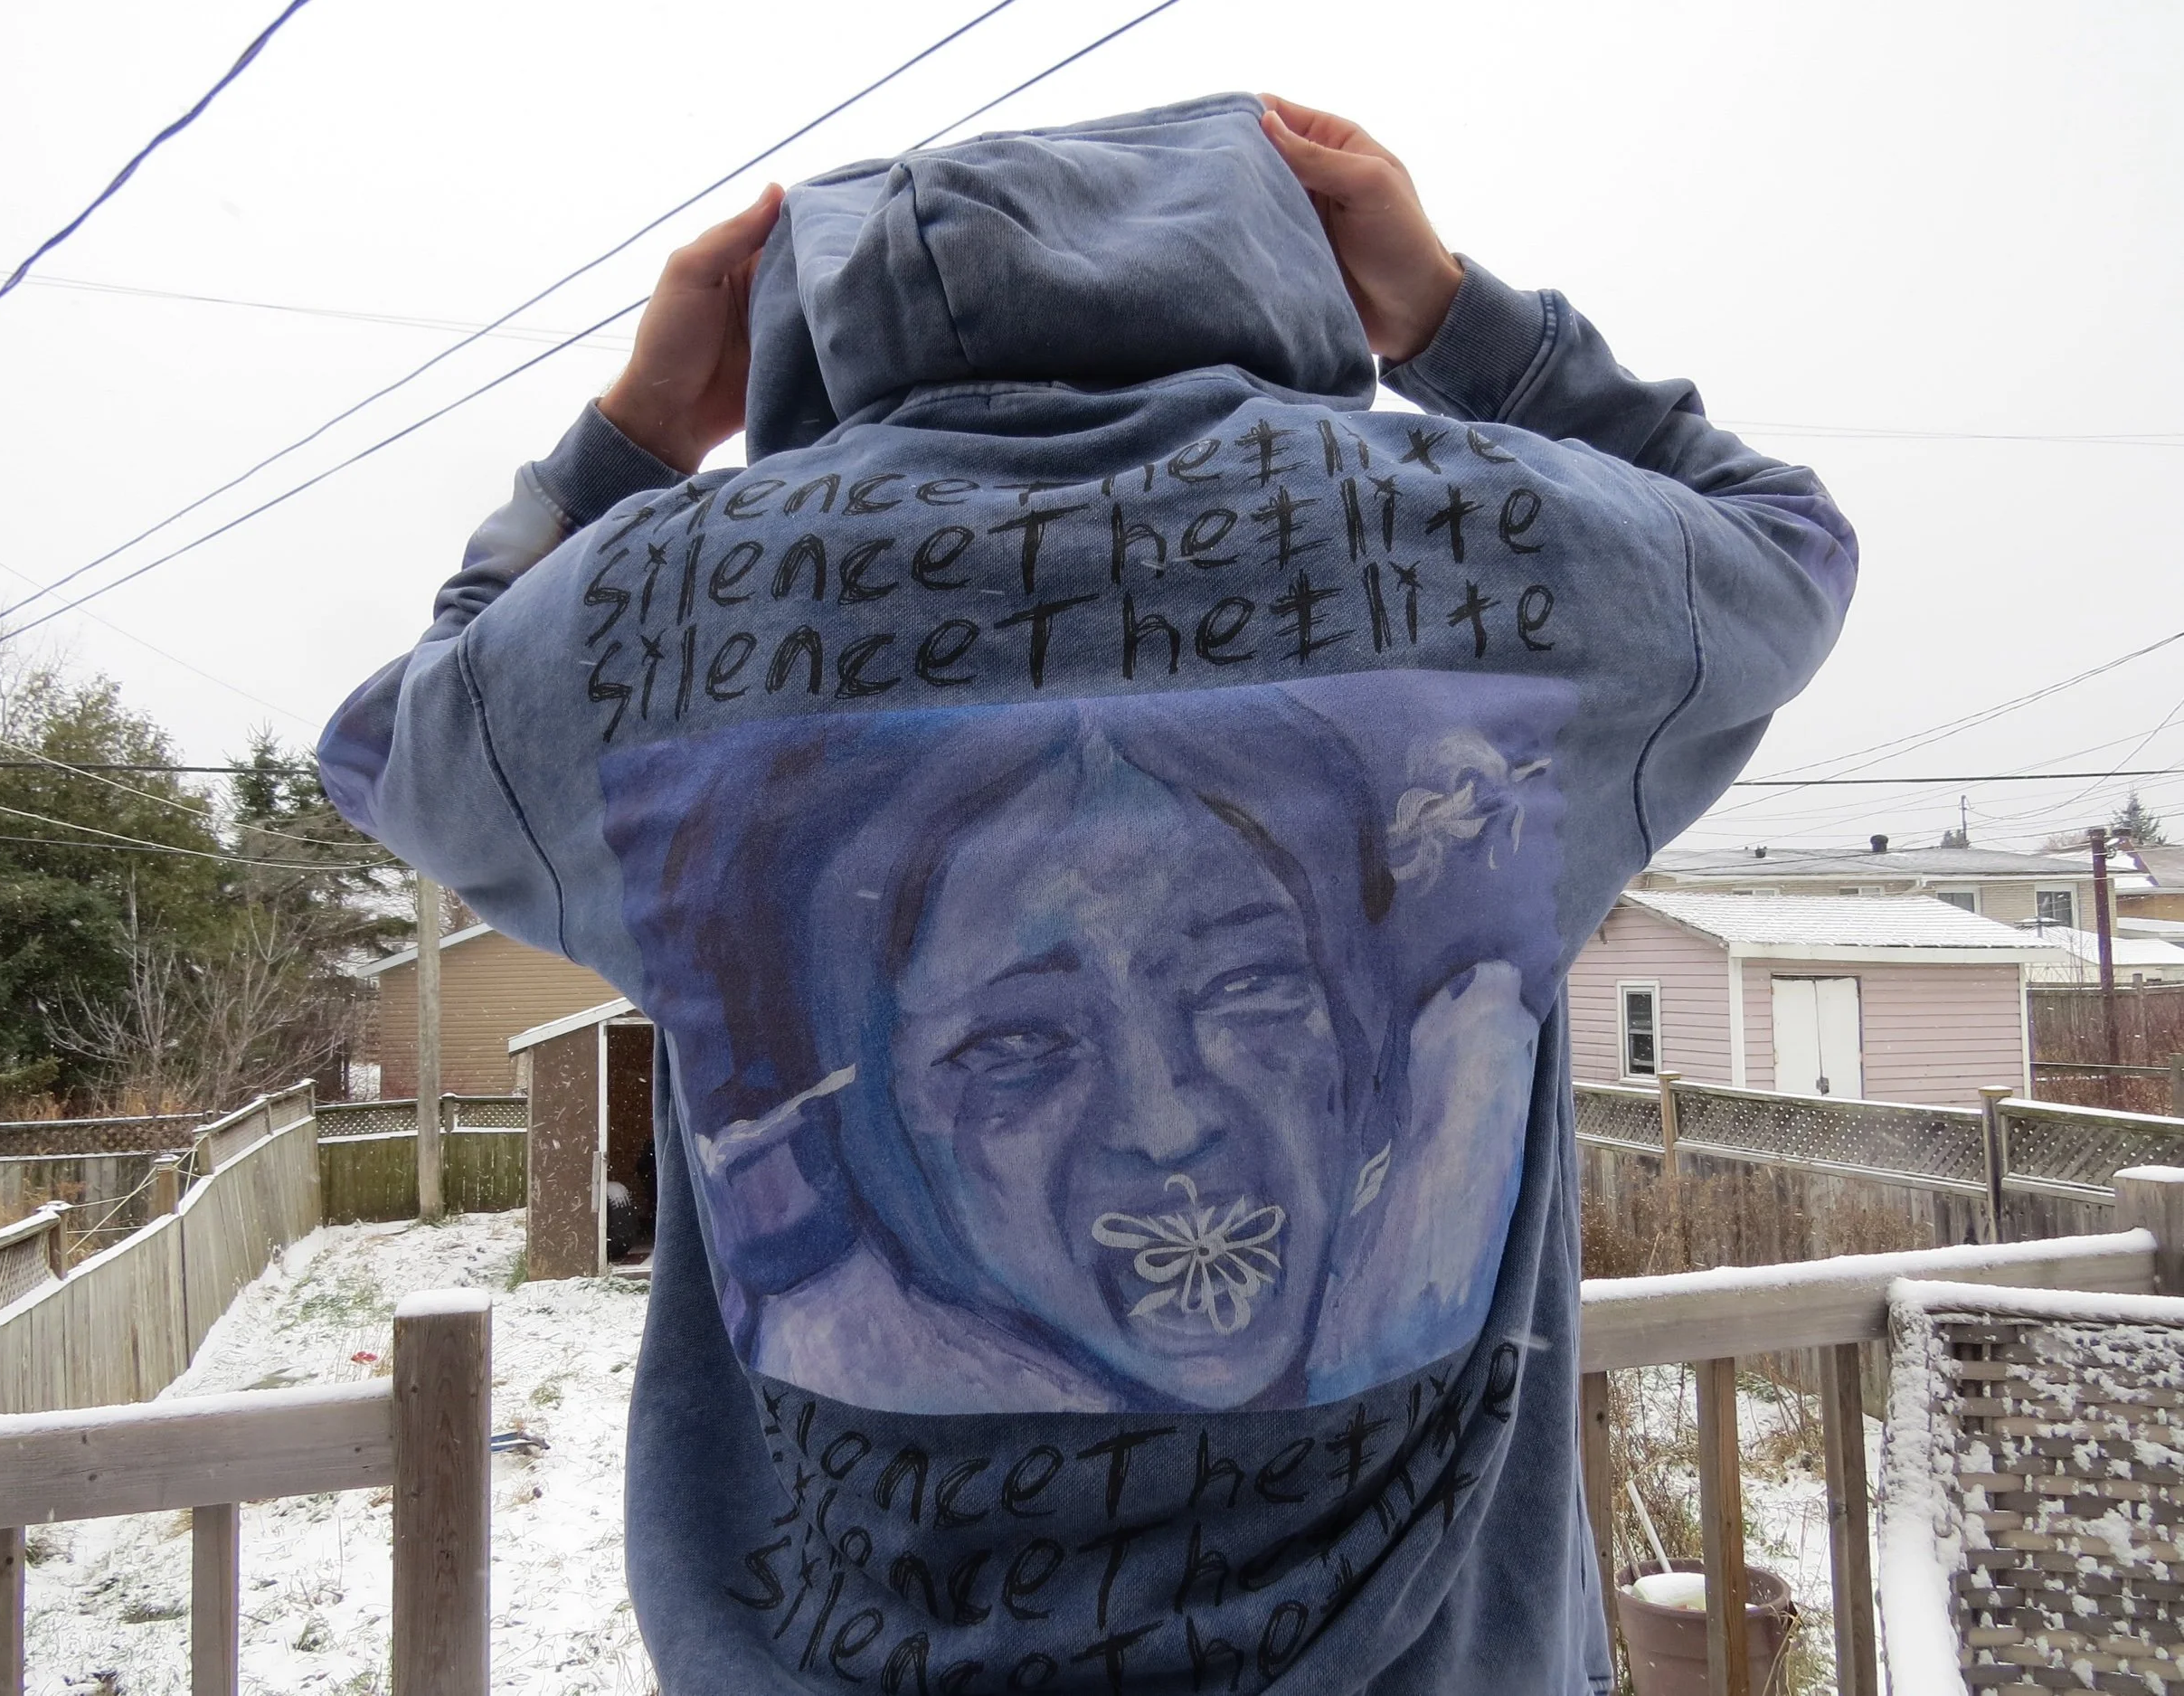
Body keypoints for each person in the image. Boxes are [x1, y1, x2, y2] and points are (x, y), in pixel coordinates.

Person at [322, 92, 1855, 1696]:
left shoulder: (677, 623)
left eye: (1253, 985)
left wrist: (635, 431)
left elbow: (395, 734)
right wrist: (1456, 319)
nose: (1169, 1125)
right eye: (1016, 1046)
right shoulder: (1478, 556)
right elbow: (1787, 542)